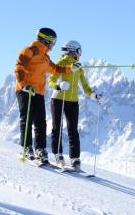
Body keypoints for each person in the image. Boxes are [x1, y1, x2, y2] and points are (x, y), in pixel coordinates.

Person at [14, 27, 72, 163]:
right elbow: (19, 66)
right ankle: (26, 147)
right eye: (53, 42)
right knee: (26, 118)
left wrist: (70, 69)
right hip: (25, 90)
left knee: (40, 121)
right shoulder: (29, 50)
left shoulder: (45, 57)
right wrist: (24, 84)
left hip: (39, 92)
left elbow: (55, 69)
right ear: (47, 40)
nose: (53, 46)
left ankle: (40, 149)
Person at [48, 40, 102, 170]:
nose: (80, 55)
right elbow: (51, 81)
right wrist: (58, 86)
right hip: (58, 99)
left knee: (73, 130)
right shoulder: (61, 64)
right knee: (57, 128)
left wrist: (92, 95)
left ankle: (75, 159)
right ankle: (58, 155)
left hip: (73, 101)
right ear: (73, 51)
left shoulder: (78, 67)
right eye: (79, 51)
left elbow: (85, 85)